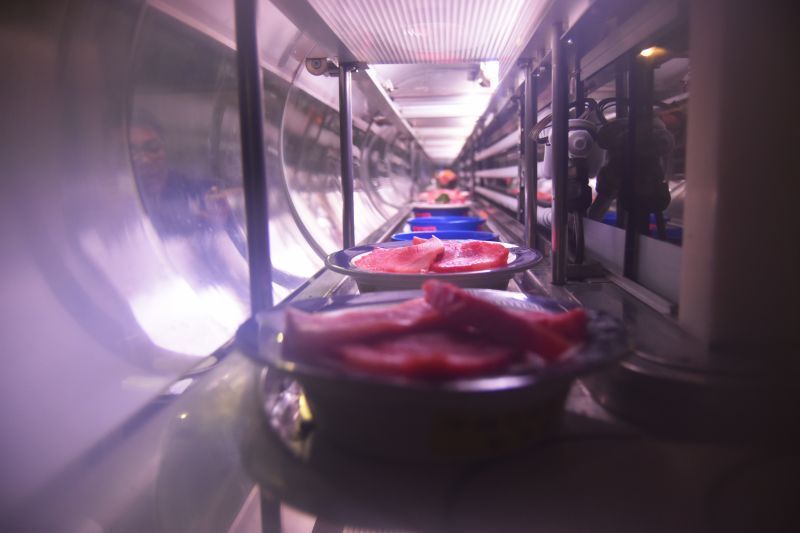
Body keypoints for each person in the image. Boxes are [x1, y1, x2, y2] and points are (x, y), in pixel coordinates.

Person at [129, 110, 229, 235]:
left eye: (153, 148)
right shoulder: (114, 206)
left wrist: (220, 221)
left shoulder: (198, 192)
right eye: (131, 152)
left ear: (164, 150)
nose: (145, 160)